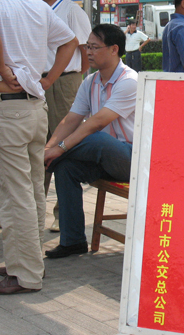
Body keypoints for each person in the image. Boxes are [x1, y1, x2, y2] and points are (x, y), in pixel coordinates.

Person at [0, 0, 77, 295]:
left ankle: (24, 274)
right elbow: (70, 42)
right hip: (35, 107)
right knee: (33, 189)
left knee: (14, 192)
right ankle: (30, 262)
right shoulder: (37, 4)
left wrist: (3, 69)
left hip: (8, 107)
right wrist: (48, 80)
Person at [44, 24, 137, 259]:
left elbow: (97, 122)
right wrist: (48, 148)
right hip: (103, 158)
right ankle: (73, 241)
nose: (88, 52)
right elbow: (70, 120)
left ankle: (40, 161)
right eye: (88, 47)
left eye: (95, 47)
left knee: (95, 137)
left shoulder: (129, 81)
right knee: (65, 168)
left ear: (114, 49)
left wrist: (60, 149)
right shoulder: (90, 82)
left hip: (131, 160)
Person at [33, 0, 92, 233]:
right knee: (36, 146)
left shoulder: (71, 12)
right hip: (37, 83)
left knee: (63, 145)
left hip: (64, 83)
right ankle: (33, 213)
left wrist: (76, 81)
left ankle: (61, 213)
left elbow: (86, 51)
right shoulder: (32, 8)